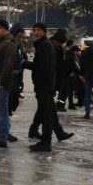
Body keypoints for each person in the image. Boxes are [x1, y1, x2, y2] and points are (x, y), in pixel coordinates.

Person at [24, 23, 73, 152]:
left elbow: (42, 67)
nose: (36, 32)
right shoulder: (45, 45)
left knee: (46, 114)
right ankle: (58, 133)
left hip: (44, 85)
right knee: (49, 111)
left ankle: (46, 142)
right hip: (46, 85)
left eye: (38, 30)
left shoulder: (45, 46)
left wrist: (24, 64)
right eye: (34, 30)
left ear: (44, 32)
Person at [0, 19, 18, 148]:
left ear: (6, 30)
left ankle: (2, 137)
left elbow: (8, 65)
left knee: (1, 111)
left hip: (1, 84)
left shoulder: (8, 44)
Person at [51, 30, 69, 112]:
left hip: (59, 74)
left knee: (61, 91)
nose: (61, 45)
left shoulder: (59, 48)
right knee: (51, 91)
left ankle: (59, 105)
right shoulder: (49, 47)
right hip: (51, 74)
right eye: (60, 43)